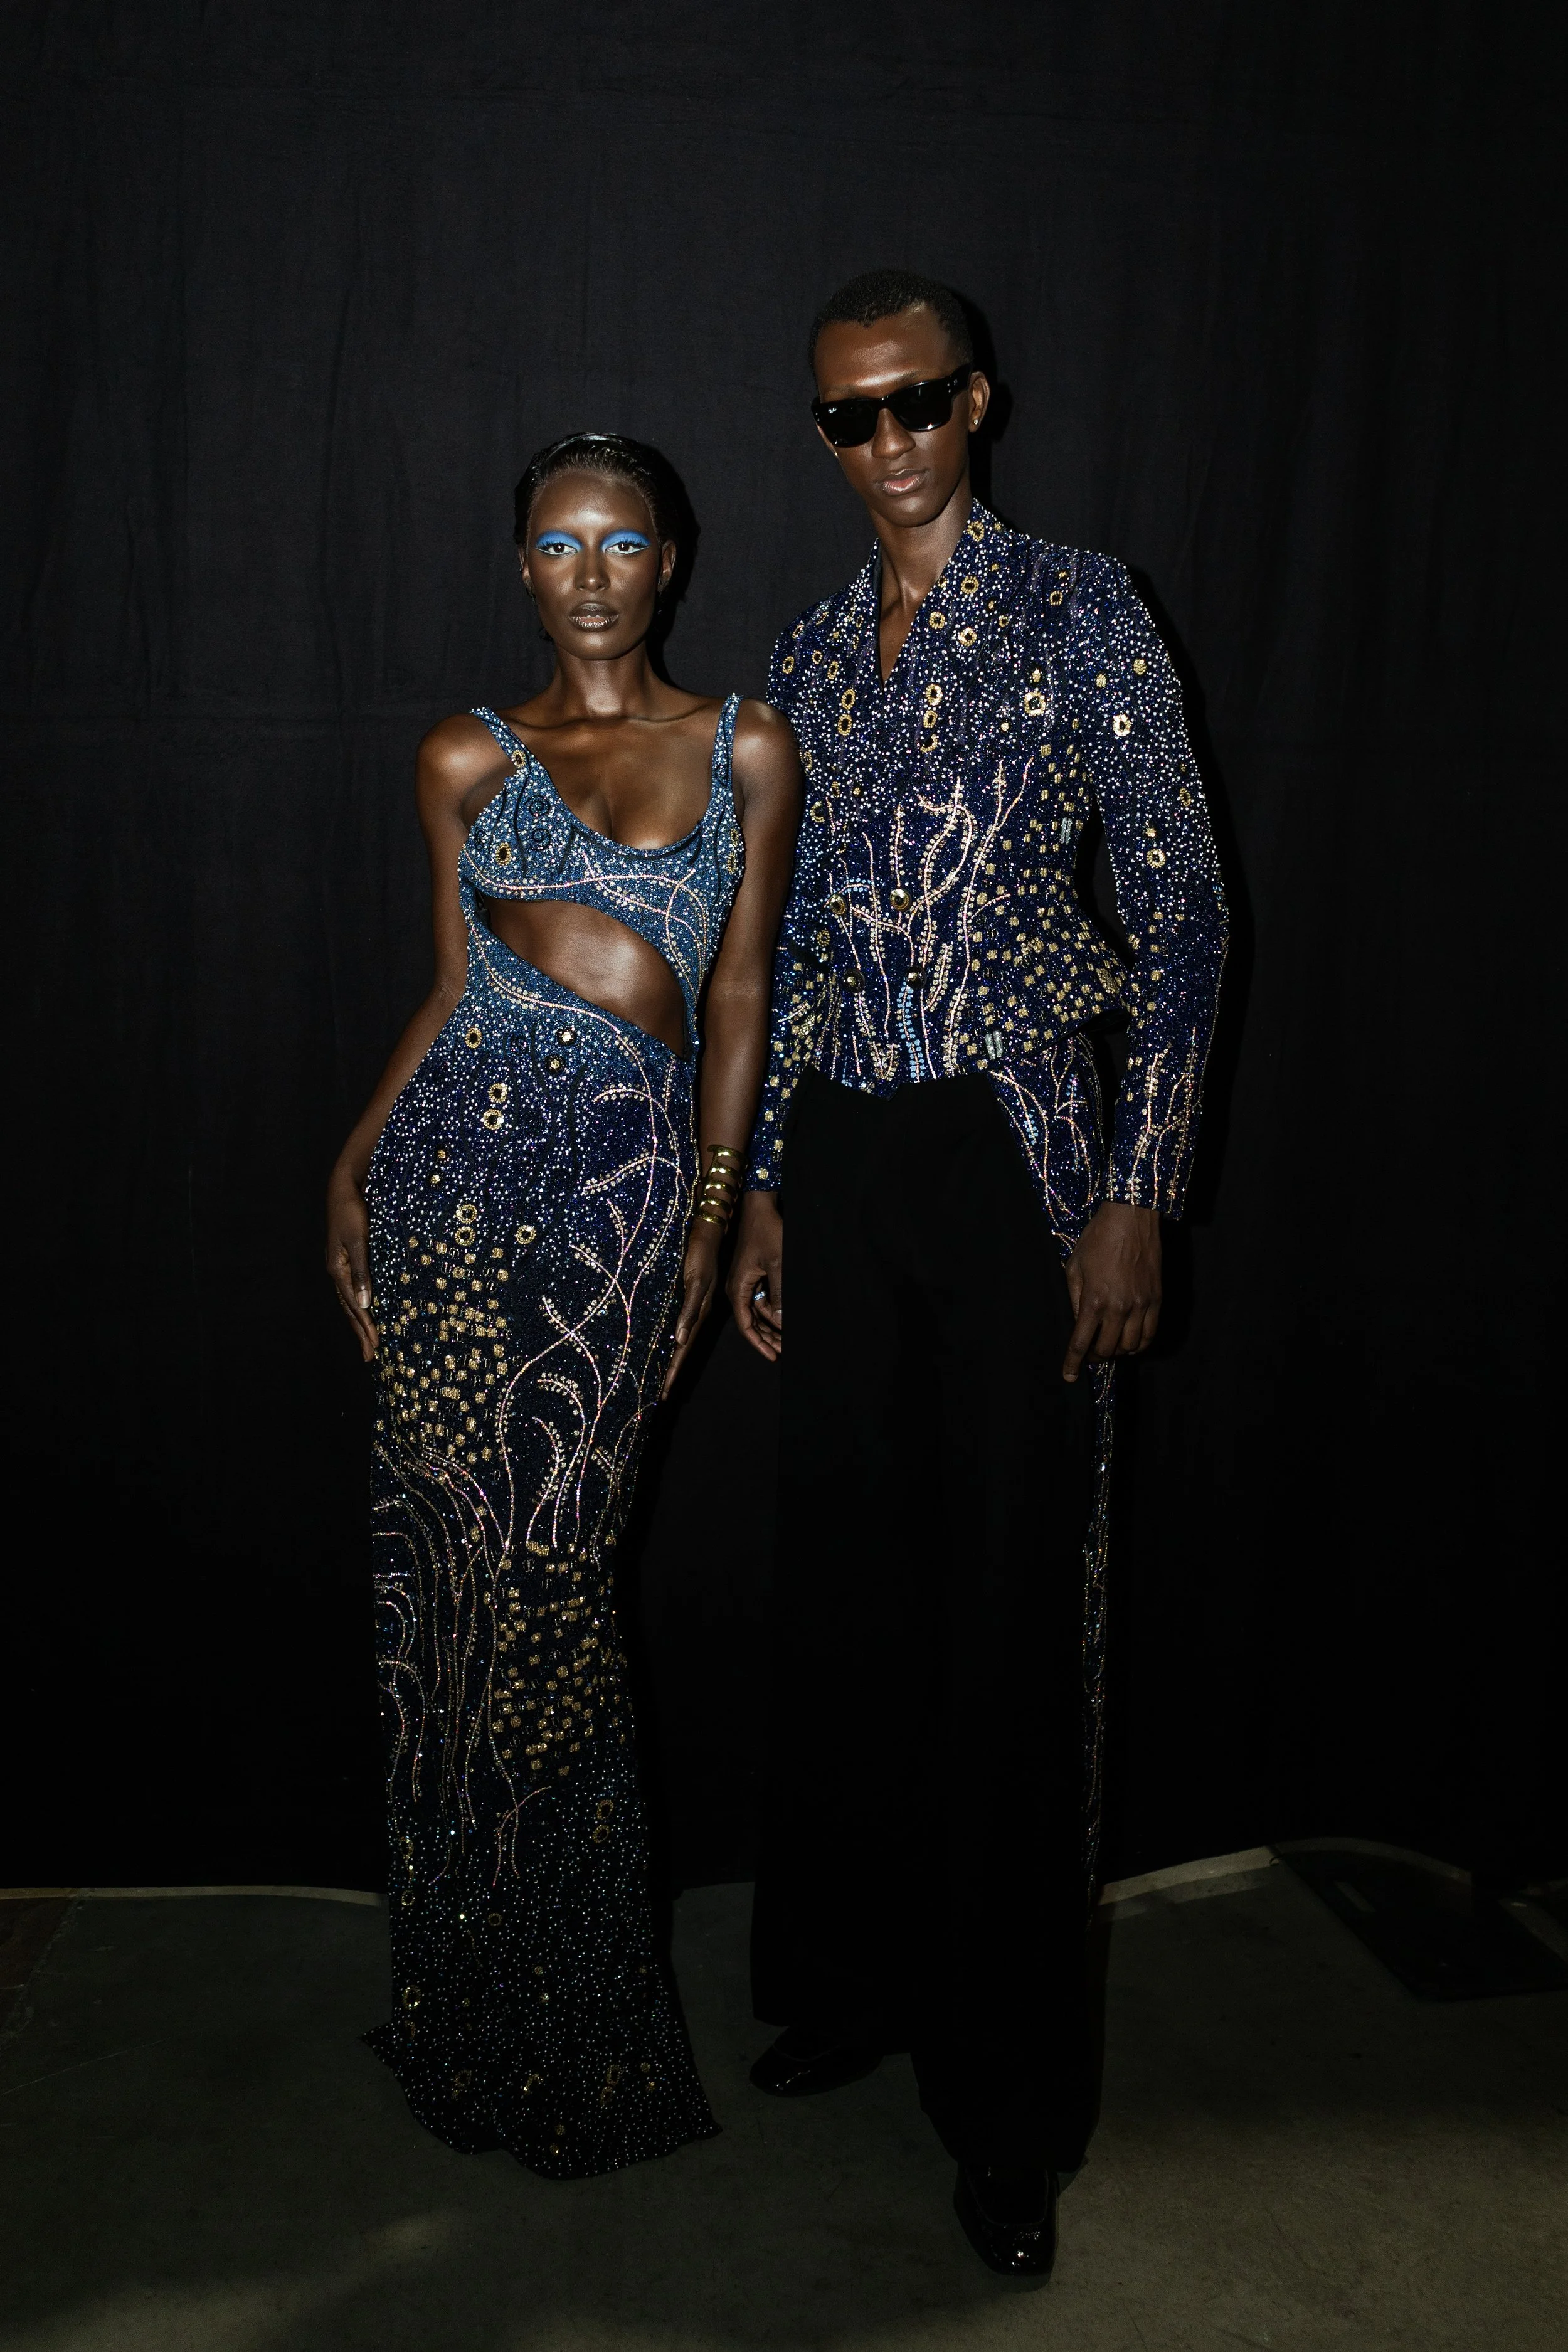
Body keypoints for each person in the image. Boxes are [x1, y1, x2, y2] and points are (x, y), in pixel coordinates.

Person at [727, 272, 1227, 2280]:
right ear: (826, 434)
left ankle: (1006, 2106)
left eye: (918, 401)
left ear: (977, 399)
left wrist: (1139, 1180)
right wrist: (758, 1183)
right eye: (851, 415)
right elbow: (784, 950)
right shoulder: (801, 649)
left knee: (1014, 1619)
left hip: (1019, 1152)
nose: (891, 440)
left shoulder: (1083, 608)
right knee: (847, 1588)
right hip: (841, 1147)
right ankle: (853, 1980)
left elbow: (1184, 902)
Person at [326, 432, 800, 2178]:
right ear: (521, 566)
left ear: (668, 559)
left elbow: (741, 986)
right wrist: (352, 1158)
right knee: (451, 1600)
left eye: (622, 540)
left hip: (617, 1215)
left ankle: (578, 2026)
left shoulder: (746, 742)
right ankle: (468, 2004)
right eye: (555, 541)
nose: (590, 570)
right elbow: (450, 982)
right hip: (450, 1194)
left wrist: (718, 1197)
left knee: (552, 1584)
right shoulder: (467, 750)